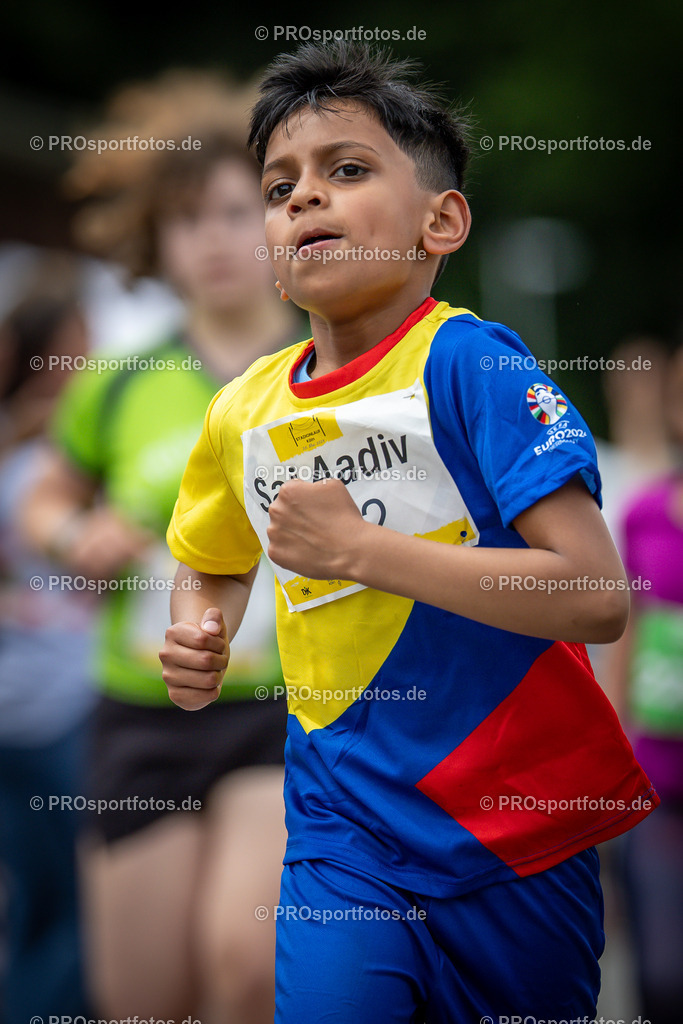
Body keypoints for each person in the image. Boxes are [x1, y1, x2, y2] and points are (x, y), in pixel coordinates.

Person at [159, 42, 658, 1023]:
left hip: (515, 832)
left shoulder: (473, 366)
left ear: (441, 220)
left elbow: (595, 597)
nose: (303, 198)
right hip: (340, 833)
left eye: (345, 170)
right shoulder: (239, 411)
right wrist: (198, 631)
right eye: (278, 185)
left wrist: (364, 553)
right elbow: (208, 561)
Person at [22, 71, 301, 1022]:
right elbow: (47, 493)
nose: (214, 239)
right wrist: (73, 532)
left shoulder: (338, 370)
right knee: (142, 1000)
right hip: (140, 715)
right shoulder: (118, 381)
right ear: (154, 238)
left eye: (236, 210)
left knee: (246, 964)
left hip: (283, 711)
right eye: (187, 220)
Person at [0, 253, 95, 1021]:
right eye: (80, 341)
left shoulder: (23, 441)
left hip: (17, 715)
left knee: (36, 909)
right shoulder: (56, 454)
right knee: (81, 920)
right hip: (63, 708)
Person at [603, 344, 683, 1024]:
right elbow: (624, 625)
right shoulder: (643, 511)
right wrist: (612, 734)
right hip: (659, 773)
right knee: (659, 975)